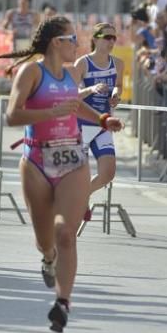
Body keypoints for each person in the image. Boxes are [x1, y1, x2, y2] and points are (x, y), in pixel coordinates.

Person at [0, 18, 123, 333]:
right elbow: (13, 115)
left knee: (66, 232)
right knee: (45, 240)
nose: (77, 45)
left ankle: (62, 303)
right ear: (57, 42)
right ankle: (48, 258)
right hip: (37, 158)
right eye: (72, 39)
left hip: (71, 158)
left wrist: (103, 118)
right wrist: (49, 113)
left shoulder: (70, 75)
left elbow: (76, 108)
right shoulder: (32, 73)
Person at [71, 23, 124, 218]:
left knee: (108, 173)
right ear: (95, 38)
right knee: (78, 174)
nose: (111, 41)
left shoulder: (118, 63)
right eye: (107, 37)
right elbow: (72, 95)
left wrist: (116, 95)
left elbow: (118, 85)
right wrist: (90, 90)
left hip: (103, 124)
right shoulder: (82, 63)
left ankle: (83, 195)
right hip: (82, 124)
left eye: (114, 38)